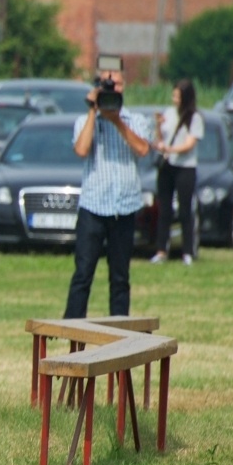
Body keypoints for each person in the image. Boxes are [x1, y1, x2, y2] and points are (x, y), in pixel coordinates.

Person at [64, 64, 151, 318]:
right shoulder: (84, 120)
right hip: (93, 206)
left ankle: (120, 336)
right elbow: (81, 150)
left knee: (120, 276)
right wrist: (94, 111)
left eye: (118, 84)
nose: (113, 89)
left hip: (124, 207)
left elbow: (143, 150)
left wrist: (117, 121)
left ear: (125, 88)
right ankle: (73, 332)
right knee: (83, 273)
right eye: (106, 84)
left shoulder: (136, 120)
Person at [150, 79, 203, 266]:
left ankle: (187, 251)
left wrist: (169, 149)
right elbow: (160, 138)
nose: (174, 99)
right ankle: (161, 250)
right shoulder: (169, 113)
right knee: (164, 209)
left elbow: (189, 144)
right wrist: (158, 125)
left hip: (185, 167)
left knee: (184, 209)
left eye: (177, 96)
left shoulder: (194, 117)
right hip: (167, 166)